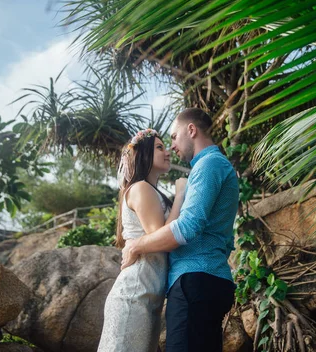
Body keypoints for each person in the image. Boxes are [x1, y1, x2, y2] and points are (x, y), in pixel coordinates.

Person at [121, 108, 239, 352]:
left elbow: (188, 227)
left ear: (191, 130)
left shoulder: (209, 165)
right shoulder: (211, 166)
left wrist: (136, 245)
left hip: (195, 279)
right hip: (205, 279)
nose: (172, 146)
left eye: (173, 137)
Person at [98, 128, 187, 352]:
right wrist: (180, 196)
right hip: (134, 296)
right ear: (144, 154)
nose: (167, 152)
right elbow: (163, 235)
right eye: (159, 147)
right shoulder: (140, 188)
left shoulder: (152, 191)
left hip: (147, 298)